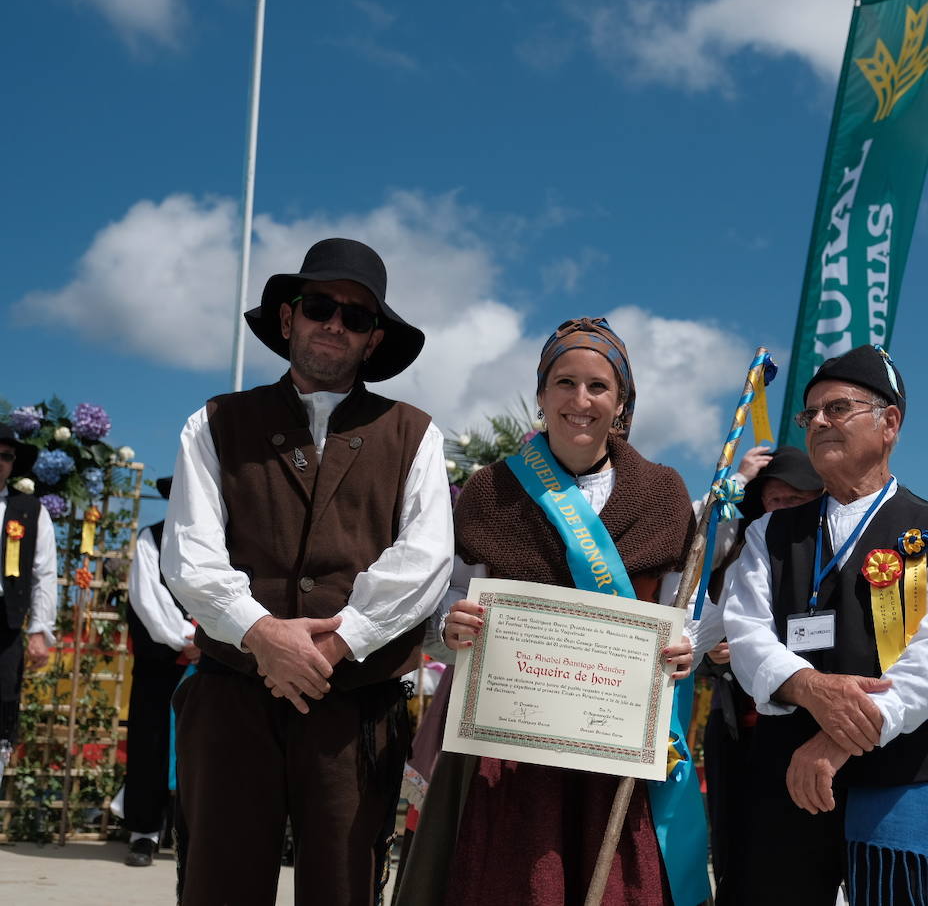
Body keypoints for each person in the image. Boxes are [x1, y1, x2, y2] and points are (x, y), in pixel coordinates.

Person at [162, 238, 454, 905]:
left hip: (353, 706)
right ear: (289, 317)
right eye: (320, 305)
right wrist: (262, 634)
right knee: (218, 885)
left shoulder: (415, 433)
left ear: (373, 339)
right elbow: (190, 554)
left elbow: (425, 559)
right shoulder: (214, 423)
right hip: (232, 695)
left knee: (345, 889)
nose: (334, 324)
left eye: (355, 317)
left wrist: (335, 642)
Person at [403, 316, 702, 906]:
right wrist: (449, 623)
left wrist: (685, 643)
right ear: (542, 395)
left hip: (615, 749)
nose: (580, 400)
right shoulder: (491, 490)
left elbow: (686, 607)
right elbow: (447, 593)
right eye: (564, 383)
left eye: (598, 387)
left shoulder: (663, 494)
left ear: (621, 404)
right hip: (509, 747)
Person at [722, 344, 928, 905]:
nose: (817, 422)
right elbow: (744, 633)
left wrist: (841, 734)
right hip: (790, 772)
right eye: (809, 414)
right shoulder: (771, 533)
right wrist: (811, 687)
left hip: (907, 772)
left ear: (889, 422)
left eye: (836, 409)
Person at [694, 444, 823, 905]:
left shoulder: (835, 555)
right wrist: (717, 653)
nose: (784, 508)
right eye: (775, 500)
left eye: (796, 498)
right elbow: (702, 627)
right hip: (738, 727)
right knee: (735, 835)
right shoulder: (741, 551)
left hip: (809, 730)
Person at [122, 476, 198, 868]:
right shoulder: (151, 538)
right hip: (164, 659)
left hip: (212, 661)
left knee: (209, 750)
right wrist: (188, 637)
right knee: (151, 741)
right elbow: (148, 599)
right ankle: (144, 833)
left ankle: (199, 834)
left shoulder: (221, 540)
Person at [0, 424, 55, 753]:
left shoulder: (31, 511)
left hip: (4, 622)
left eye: (6, 456)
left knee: (3, 706)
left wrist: (39, 631)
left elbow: (44, 573)